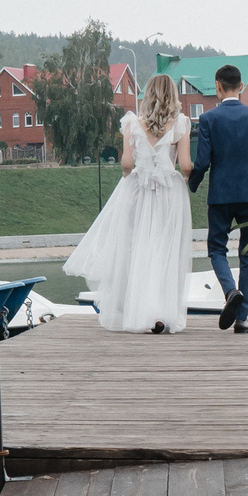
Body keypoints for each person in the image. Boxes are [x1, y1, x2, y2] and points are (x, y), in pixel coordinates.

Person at [63, 73, 195, 333]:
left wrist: (133, 175)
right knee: (165, 253)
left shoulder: (132, 123)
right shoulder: (180, 123)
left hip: (139, 191)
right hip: (168, 194)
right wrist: (184, 172)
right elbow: (186, 165)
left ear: (148, 94)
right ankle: (160, 313)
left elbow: (126, 164)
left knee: (134, 252)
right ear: (173, 95)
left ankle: (136, 312)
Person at [186, 62, 248, 333]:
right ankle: (242, 318)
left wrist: (191, 185)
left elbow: (202, 161)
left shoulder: (208, 119)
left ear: (217, 86)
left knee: (216, 249)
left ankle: (229, 292)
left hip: (220, 196)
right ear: (241, 86)